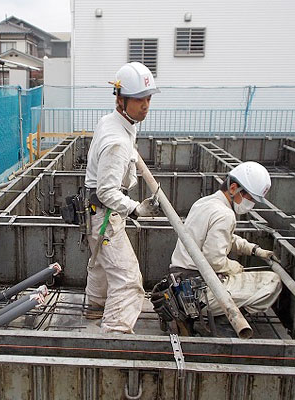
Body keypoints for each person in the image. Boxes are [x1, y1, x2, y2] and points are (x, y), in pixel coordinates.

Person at [84, 62, 161, 334]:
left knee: (101, 262)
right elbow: (106, 191)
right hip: (106, 212)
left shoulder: (114, 121)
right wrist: (136, 209)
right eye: (140, 99)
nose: (146, 105)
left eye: (149, 98)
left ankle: (94, 306)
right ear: (121, 99)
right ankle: (115, 335)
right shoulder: (117, 140)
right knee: (128, 279)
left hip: (97, 212)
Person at [168, 161, 282, 317]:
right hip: (199, 294)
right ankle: (227, 317)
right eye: (250, 198)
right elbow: (214, 260)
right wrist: (235, 267)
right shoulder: (225, 214)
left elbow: (225, 237)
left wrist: (254, 250)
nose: (252, 204)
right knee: (272, 281)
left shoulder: (204, 203)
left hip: (180, 284)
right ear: (234, 188)